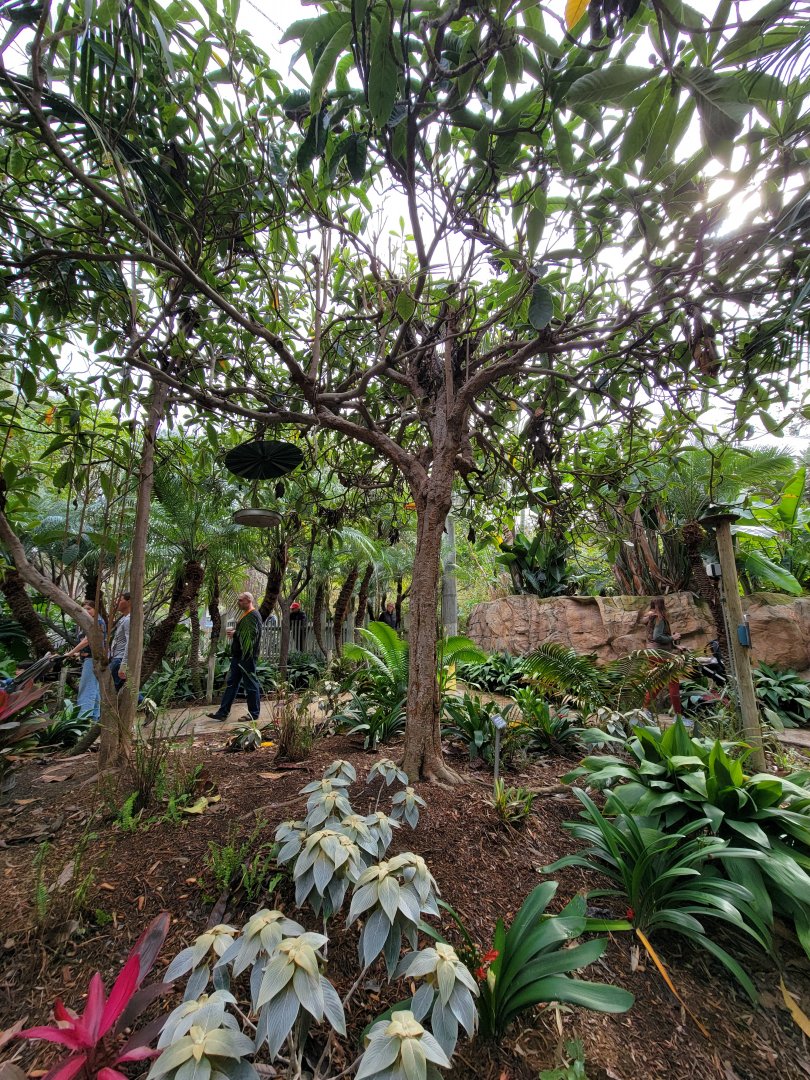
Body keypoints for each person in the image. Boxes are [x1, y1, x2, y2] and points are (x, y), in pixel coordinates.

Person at [207, 591, 263, 722]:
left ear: (249, 601)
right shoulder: (246, 615)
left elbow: (251, 635)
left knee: (250, 684)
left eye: (240, 600)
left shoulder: (253, 615)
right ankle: (223, 712)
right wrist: (236, 633)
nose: (238, 603)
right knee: (232, 683)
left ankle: (254, 713)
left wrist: (236, 634)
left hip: (247, 656)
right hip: (239, 656)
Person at [65, 599, 106, 721]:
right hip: (90, 658)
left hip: (92, 659)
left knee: (87, 688)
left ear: (96, 609)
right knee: (95, 689)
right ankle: (94, 717)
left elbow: (88, 640)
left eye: (89, 608)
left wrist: (72, 652)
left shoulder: (96, 622)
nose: (86, 611)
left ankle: (82, 719)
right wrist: (78, 652)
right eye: (84, 609)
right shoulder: (90, 621)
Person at [646, 596, 683, 716]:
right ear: (663, 606)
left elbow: (653, 637)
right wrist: (673, 637)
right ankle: (678, 716)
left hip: (651, 653)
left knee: (658, 682)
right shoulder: (660, 618)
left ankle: (644, 710)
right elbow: (657, 637)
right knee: (673, 682)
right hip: (660, 654)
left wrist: (675, 646)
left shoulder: (651, 618)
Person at [109, 592, 131, 692]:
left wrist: (124, 664)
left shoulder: (129, 620)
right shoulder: (124, 619)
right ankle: (148, 706)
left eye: (120, 600)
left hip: (120, 659)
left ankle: (148, 706)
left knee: (113, 688)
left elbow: (129, 642)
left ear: (129, 602)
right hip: (117, 657)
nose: (116, 603)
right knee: (129, 689)